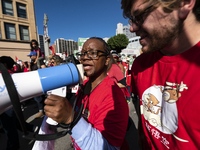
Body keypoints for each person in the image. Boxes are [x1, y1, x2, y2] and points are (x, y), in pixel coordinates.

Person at [121, 0, 200, 149]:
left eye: (140, 16)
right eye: (132, 19)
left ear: (184, 3)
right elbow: (142, 108)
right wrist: (141, 133)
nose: (132, 28)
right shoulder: (140, 64)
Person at [44, 37, 129, 149]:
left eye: (93, 53)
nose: (84, 57)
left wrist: (71, 119)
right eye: (82, 54)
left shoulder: (114, 97)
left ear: (107, 59)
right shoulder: (84, 85)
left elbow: (108, 147)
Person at [28, 51, 46, 118]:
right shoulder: (32, 64)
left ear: (35, 56)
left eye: (31, 56)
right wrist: (29, 66)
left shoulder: (40, 62)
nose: (30, 57)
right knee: (37, 97)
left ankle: (41, 111)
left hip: (39, 81)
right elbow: (30, 72)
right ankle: (42, 109)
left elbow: (44, 69)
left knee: (39, 97)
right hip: (35, 81)